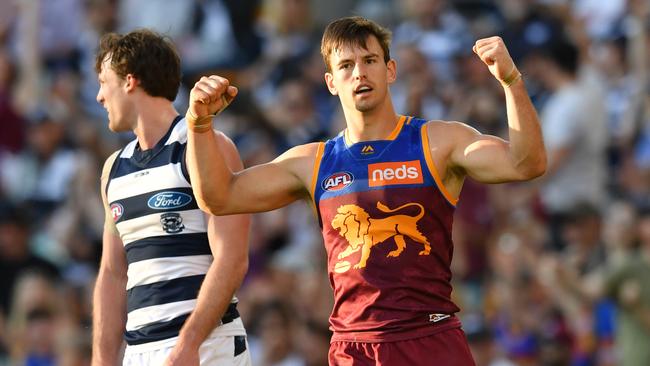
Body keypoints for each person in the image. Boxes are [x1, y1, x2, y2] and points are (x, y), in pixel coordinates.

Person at [185, 16, 546, 365]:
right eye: (346, 65)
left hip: (431, 339)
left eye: (370, 60)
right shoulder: (314, 161)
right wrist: (199, 125)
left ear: (390, 70)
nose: (359, 72)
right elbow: (219, 197)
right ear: (331, 82)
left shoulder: (437, 141)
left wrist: (511, 81)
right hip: (354, 348)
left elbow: (526, 163)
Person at [91, 29, 251, 366]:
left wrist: (188, 344)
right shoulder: (113, 169)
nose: (99, 97)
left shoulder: (208, 145)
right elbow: (112, 273)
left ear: (130, 80)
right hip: (138, 351)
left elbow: (232, 258)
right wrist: (103, 360)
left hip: (205, 344)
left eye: (103, 82)